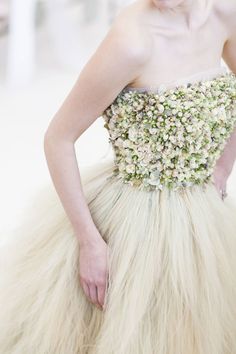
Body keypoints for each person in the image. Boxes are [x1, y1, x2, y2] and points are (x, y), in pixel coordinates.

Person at [0, 0, 236, 353]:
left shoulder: (224, 16)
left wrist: (221, 167)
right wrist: (90, 243)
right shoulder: (132, 41)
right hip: (137, 227)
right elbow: (58, 138)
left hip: (203, 219)